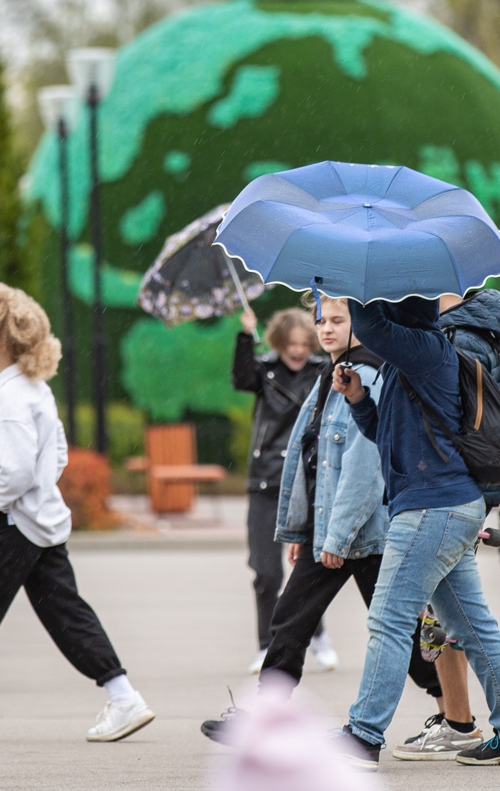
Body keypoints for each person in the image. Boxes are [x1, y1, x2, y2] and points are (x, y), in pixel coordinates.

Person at [0, 282, 152, 743]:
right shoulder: (33, 389)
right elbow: (54, 457)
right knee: (66, 613)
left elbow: (15, 471)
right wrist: (23, 494)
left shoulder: (12, 398)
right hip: (39, 522)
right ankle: (124, 698)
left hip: (13, 525)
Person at [202, 294, 443, 742]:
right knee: (294, 620)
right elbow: (310, 460)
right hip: (331, 529)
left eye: (337, 319)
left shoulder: (364, 374)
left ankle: (462, 709)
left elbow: (362, 469)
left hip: (361, 534)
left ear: (364, 323)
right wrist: (303, 529)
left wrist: (334, 536)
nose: (326, 328)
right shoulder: (328, 374)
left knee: (400, 634)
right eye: (321, 320)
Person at [332, 297, 500, 769]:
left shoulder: (426, 347)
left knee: (389, 621)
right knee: (472, 627)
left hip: (432, 508)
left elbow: (369, 324)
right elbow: (389, 436)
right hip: (443, 505)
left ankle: (362, 735)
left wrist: (353, 288)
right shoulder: (413, 358)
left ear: (401, 309)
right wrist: (360, 400)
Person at [391, 289, 500, 762]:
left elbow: (449, 418)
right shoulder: (467, 329)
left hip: (452, 489)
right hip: (461, 488)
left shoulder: (460, 334)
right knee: (450, 611)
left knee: (441, 615)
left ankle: (476, 716)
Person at [232, 307, 332, 674]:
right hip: (266, 480)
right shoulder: (264, 370)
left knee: (311, 570)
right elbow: (241, 378)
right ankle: (265, 644)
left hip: (308, 482)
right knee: (266, 572)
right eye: (291, 344)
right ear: (278, 342)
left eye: (305, 343)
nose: (298, 351)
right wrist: (245, 336)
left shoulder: (324, 370)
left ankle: (317, 636)